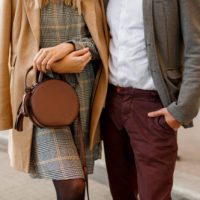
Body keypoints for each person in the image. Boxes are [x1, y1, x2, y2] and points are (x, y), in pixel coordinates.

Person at [0, 0, 109, 199]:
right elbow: (5, 50)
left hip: (82, 97)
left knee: (77, 184)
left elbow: (101, 41)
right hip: (39, 97)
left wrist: (70, 47)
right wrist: (56, 65)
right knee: (73, 184)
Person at [102, 0, 200, 200]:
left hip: (151, 106)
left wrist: (181, 111)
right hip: (112, 103)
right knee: (121, 194)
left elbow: (196, 48)